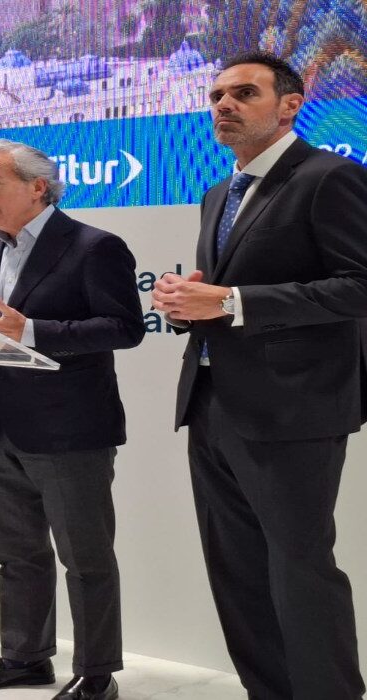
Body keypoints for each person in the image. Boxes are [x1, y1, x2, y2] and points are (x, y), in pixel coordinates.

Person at [152, 51, 367, 699]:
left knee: (301, 570)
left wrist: (232, 302)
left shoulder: (329, 177)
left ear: (290, 105)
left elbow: (358, 287)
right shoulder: (219, 193)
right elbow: (223, 295)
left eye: (244, 93)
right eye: (217, 95)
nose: (224, 104)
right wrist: (188, 305)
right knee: (237, 572)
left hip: (294, 408)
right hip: (211, 401)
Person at [0, 139, 144, 700]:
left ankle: (96, 674)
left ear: (37, 187)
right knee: (17, 554)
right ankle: (26, 658)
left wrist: (32, 331)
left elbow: (124, 328)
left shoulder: (93, 246)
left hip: (70, 430)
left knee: (85, 559)